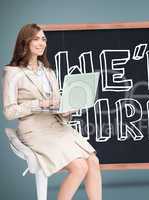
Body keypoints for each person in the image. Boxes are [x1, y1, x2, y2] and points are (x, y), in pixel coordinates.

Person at [2, 24, 102, 200]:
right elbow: (9, 112)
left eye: (44, 39)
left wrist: (66, 110)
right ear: (25, 42)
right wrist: (39, 104)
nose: (41, 43)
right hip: (34, 130)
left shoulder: (48, 72)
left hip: (56, 126)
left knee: (93, 161)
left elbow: (56, 105)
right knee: (79, 167)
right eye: (36, 38)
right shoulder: (13, 73)